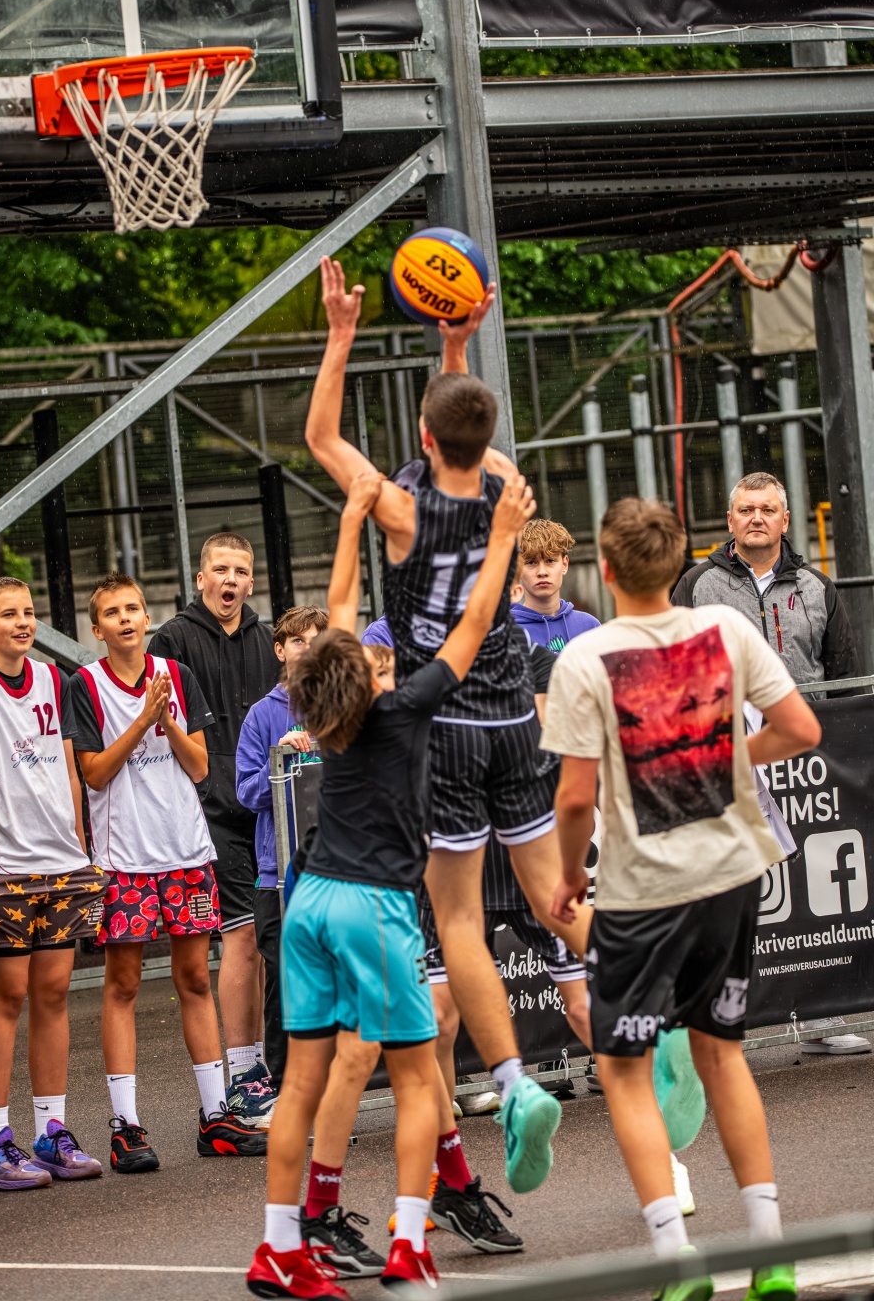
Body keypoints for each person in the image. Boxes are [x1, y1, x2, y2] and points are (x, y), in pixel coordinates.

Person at [305, 257, 593, 1196]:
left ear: (421, 437)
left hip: (444, 714)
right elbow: (466, 426)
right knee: (553, 894)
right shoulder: (507, 486)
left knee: (460, 918)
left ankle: (512, 1083)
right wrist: (457, 344)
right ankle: (649, 1010)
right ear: (483, 434)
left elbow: (320, 436)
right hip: (514, 705)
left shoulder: (395, 507)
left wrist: (342, 334)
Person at [247, 467, 536, 1299]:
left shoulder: (319, 708)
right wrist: (503, 538)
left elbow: (339, 610)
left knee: (301, 1084)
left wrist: (352, 519)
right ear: (371, 676)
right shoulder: (407, 711)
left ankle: (278, 1248)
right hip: (373, 904)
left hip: (308, 900)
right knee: (416, 1079)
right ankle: (410, 1246)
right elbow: (475, 623)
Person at [545, 497, 821, 1301]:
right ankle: (771, 1252)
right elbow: (800, 729)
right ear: (680, 563)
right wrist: (727, 759)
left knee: (624, 1068)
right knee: (723, 1053)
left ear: (604, 567)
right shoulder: (726, 628)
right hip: (731, 871)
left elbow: (574, 798)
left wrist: (568, 876)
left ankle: (676, 1262)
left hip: (644, 889)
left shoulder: (586, 657)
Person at [672, 470, 869, 1059]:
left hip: (809, 762)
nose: (756, 518)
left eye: (767, 509)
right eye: (745, 509)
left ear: (786, 519)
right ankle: (717, 1028)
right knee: (733, 899)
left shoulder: (817, 586)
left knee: (812, 895)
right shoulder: (696, 585)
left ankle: (824, 1017)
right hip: (731, 767)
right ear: (729, 520)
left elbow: (844, 676)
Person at [72, 572, 265, 1168]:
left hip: (185, 850)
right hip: (125, 858)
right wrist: (141, 721)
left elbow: (201, 766)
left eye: (133, 608)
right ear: (97, 628)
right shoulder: (86, 684)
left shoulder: (175, 675)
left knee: (196, 980)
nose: (126, 619)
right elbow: (94, 774)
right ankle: (126, 1126)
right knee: (124, 985)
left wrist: (168, 722)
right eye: (113, 612)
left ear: (146, 616)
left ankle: (216, 1116)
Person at [0, 576, 106, 1191]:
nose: (23, 622)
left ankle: (50, 1132)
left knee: (55, 993)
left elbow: (68, 767)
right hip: (7, 867)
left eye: (29, 612)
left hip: (60, 861)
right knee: (6, 995)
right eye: (8, 614)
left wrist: (81, 847)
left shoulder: (53, 679)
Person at [148, 532, 280, 1112]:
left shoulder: (269, 640)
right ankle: (245, 1071)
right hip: (208, 812)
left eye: (241, 571)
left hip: (270, 808)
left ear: (251, 582)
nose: (231, 580)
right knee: (242, 937)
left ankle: (270, 1063)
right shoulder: (172, 640)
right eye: (220, 570)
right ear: (201, 578)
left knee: (271, 939)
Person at [236, 605, 328, 1102]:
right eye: (298, 641)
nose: (308, 650)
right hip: (279, 876)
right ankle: (285, 1088)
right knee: (284, 983)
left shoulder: (346, 705)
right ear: (280, 650)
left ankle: (347, 1083)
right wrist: (283, 759)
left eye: (318, 641)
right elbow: (246, 792)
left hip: (340, 870)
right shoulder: (261, 715)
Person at [510, 518, 600, 653]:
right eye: (531, 562)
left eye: (550, 561)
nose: (542, 572)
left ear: (564, 565)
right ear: (519, 568)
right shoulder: (509, 632)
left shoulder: (589, 626)